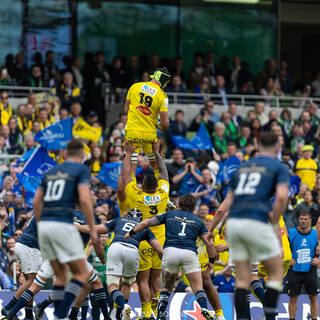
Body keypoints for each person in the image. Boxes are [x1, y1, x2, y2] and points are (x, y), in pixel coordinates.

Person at [210, 132, 290, 320]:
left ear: (259, 146)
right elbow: (280, 198)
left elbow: (222, 209)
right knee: (276, 273)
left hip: (235, 224)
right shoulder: (278, 167)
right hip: (256, 223)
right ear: (277, 149)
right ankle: (270, 315)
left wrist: (210, 229)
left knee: (243, 279)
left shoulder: (242, 168)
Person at [34, 139, 99, 320]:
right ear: (82, 156)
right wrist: (92, 229)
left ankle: (59, 315)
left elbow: (36, 201)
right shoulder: (81, 170)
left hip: (46, 225)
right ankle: (61, 314)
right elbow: (85, 201)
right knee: (82, 273)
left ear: (64, 154)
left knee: (61, 275)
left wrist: (41, 225)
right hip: (62, 223)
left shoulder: (51, 172)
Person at [124, 194, 217, 320]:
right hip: (189, 253)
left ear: (179, 204)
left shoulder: (169, 215)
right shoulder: (199, 221)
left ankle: (160, 315)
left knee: (166, 288)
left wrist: (131, 233)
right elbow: (209, 242)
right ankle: (204, 308)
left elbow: (146, 223)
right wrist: (211, 260)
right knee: (197, 287)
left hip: (171, 251)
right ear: (193, 206)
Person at [78, 208, 163, 320]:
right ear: (141, 219)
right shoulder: (144, 227)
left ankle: (122, 307)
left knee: (113, 286)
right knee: (127, 283)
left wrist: (77, 227)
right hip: (133, 250)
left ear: (128, 216)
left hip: (116, 247)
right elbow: (159, 250)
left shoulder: (119, 220)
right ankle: (119, 314)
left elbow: (97, 229)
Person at [123, 141, 169, 320]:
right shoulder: (163, 194)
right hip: (161, 242)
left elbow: (128, 177)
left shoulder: (137, 196)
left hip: (143, 241)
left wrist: (130, 154)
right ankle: (160, 312)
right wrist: (156, 153)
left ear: (142, 185)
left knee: (142, 280)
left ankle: (147, 312)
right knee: (156, 280)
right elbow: (164, 173)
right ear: (156, 186)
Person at [124, 67, 171, 177]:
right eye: (167, 83)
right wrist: (163, 126)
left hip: (132, 131)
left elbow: (126, 110)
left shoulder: (135, 86)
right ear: (163, 80)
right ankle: (159, 191)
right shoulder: (163, 96)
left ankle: (131, 190)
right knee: (156, 167)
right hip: (149, 135)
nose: (166, 86)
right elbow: (164, 124)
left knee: (130, 169)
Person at [287, 210, 319, 320]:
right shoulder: (291, 233)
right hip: (295, 270)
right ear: (298, 220)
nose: (303, 221)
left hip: (310, 270)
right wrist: (288, 258)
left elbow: (318, 250)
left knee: (313, 297)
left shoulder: (315, 233)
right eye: (301, 218)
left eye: (306, 219)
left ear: (310, 220)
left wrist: (318, 259)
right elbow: (283, 247)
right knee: (293, 298)